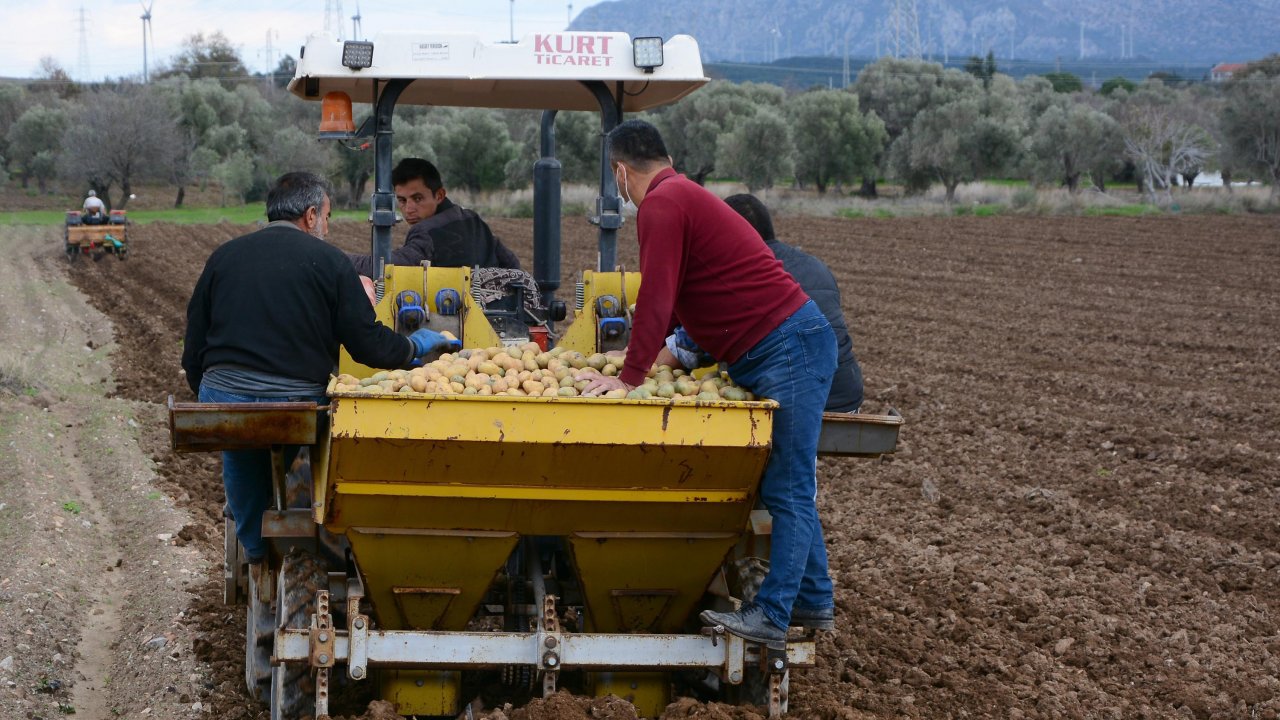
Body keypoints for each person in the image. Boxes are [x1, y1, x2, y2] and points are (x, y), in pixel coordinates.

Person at [580, 120, 838, 649]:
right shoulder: (681, 195)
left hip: (786, 347)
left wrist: (629, 379)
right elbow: (674, 299)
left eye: (617, 181)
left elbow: (655, 295)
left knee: (787, 487)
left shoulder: (662, 204)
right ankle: (812, 596)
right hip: (779, 347)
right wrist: (643, 362)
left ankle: (772, 615)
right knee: (783, 484)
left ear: (621, 172)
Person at [182, 171, 459, 570]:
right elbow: (367, 344)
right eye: (327, 216)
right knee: (306, 450)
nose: (327, 226)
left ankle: (255, 554)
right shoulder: (329, 262)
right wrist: (412, 347)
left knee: (240, 452)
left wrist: (206, 393)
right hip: (295, 399)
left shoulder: (224, 256)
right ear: (310, 216)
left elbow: (195, 339)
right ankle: (303, 535)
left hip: (226, 395)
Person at [658, 194, 864, 413]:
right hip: (847, 397)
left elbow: (685, 349)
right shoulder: (816, 266)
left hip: (788, 405)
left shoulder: (741, 274)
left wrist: (643, 369)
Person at [346, 158, 522, 276]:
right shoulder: (472, 219)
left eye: (417, 198)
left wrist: (338, 259)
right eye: (402, 200)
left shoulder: (425, 231)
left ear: (439, 195)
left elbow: (388, 267)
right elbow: (512, 263)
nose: (409, 209)